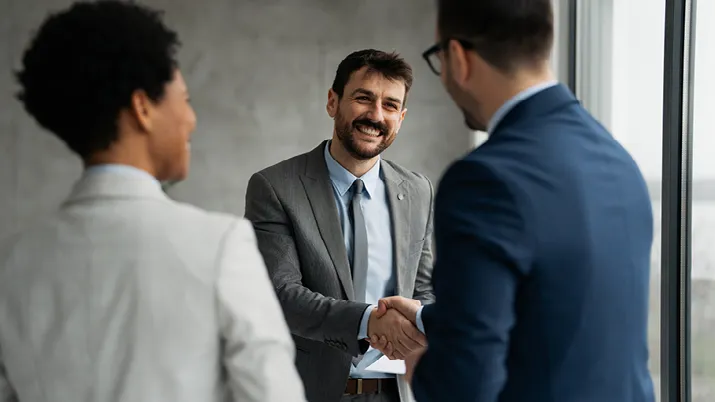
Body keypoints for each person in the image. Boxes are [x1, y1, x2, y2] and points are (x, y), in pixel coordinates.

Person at [0, 2, 305, 402]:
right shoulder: (219, 244)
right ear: (143, 108)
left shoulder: (13, 263)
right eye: (184, 98)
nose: (191, 119)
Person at [374, 0, 656, 401]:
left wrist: (417, 362)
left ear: (458, 58)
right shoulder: (617, 159)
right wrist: (424, 316)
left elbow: (463, 385)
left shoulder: (484, 179)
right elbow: (555, 311)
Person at [244, 49, 434, 402]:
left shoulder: (418, 191)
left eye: (390, 105)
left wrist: (419, 326)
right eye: (363, 98)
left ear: (401, 117)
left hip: (398, 392)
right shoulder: (275, 187)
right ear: (333, 102)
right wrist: (368, 322)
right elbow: (280, 295)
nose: (376, 115)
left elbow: (423, 290)